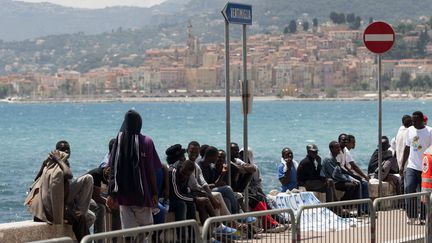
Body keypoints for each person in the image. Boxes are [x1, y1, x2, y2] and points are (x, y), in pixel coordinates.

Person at [107, 110, 162, 230]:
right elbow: (151, 170)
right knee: (146, 229)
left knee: (128, 232)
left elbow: (112, 168)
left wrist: (111, 193)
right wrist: (154, 192)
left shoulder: (119, 141)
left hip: (123, 195)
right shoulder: (147, 141)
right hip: (141, 195)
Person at [400, 111, 432, 224]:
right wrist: (402, 164)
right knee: (409, 189)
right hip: (411, 166)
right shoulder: (410, 130)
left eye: (416, 120)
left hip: (425, 168)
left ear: (422, 120)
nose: (413, 123)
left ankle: (423, 217)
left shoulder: (429, 131)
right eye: (412, 121)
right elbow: (407, 148)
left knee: (424, 193)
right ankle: (412, 216)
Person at [337, 134, 369, 205]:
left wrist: (351, 174)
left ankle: (361, 207)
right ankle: (361, 207)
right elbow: (353, 166)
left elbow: (345, 165)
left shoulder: (344, 151)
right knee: (361, 183)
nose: (354, 144)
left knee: (360, 183)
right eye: (353, 142)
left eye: (346, 140)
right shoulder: (341, 151)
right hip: (339, 175)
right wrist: (364, 176)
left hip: (345, 173)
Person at [87, 166, 111, 235]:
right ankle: (98, 238)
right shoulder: (97, 174)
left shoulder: (109, 176)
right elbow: (96, 197)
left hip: (89, 197)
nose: (109, 172)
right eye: (108, 170)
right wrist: (107, 202)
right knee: (100, 208)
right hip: (81, 198)